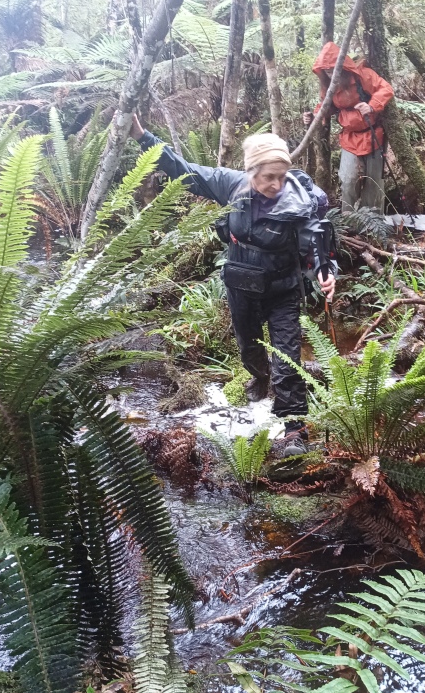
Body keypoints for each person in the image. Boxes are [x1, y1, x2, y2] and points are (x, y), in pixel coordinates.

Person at [129, 115, 336, 457]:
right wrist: (141, 135)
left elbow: (318, 247)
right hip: (242, 287)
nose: (276, 184)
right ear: (251, 172)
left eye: (281, 176)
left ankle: (294, 430)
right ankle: (259, 378)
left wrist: (326, 273)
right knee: (250, 351)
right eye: (269, 177)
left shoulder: (301, 202)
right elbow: (183, 170)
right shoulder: (231, 185)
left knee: (287, 359)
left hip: (283, 289)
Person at [304, 41, 394, 214]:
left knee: (374, 182)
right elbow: (325, 106)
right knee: (348, 178)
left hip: (374, 134)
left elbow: (385, 88)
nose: (331, 74)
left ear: (343, 67)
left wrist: (372, 106)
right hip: (349, 136)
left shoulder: (362, 76)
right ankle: (348, 219)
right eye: (327, 71)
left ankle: (373, 224)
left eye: (334, 70)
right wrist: (313, 118)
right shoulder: (329, 86)